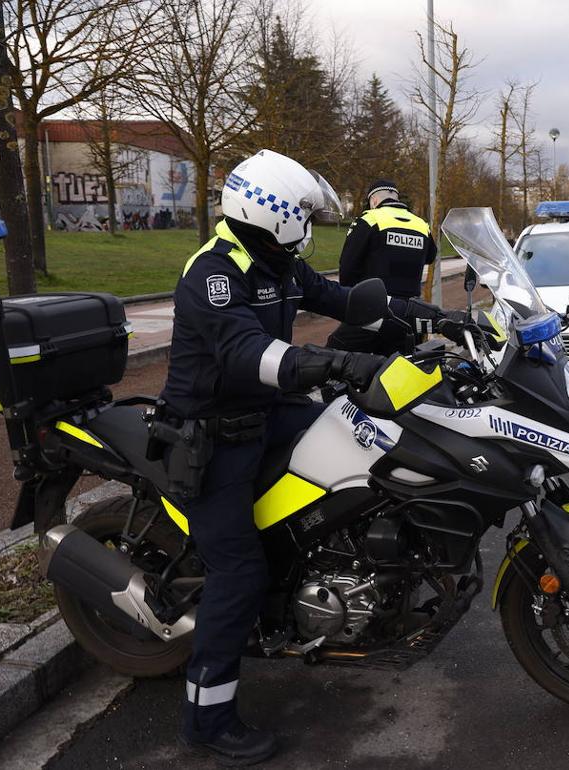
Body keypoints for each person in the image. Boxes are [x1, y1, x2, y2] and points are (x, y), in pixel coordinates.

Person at [159, 150, 455, 764]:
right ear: (270, 212)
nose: (308, 224)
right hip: (212, 436)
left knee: (368, 444)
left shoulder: (278, 262)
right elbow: (249, 353)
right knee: (238, 573)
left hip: (267, 414)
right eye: (302, 212)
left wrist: (433, 315)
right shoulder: (214, 274)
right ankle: (206, 720)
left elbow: (346, 298)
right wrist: (337, 362)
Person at [327, 180, 437, 354]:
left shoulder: (369, 219)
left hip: (374, 309)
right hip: (409, 313)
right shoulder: (421, 225)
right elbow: (430, 257)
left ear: (374, 200)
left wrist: (349, 299)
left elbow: (348, 264)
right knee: (400, 367)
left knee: (336, 354)